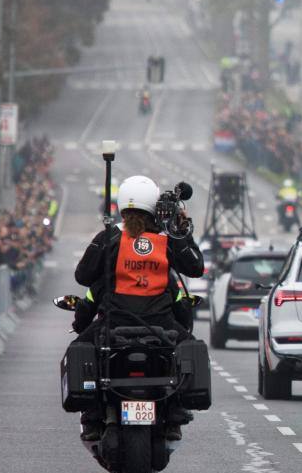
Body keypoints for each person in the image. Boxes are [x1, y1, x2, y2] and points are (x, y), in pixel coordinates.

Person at [73, 175, 204, 441]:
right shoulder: (165, 240)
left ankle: (91, 415)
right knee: (191, 348)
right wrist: (179, 232)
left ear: (122, 205)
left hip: (113, 324)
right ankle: (176, 411)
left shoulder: (109, 237)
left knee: (78, 349)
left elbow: (83, 276)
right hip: (162, 327)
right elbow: (195, 268)